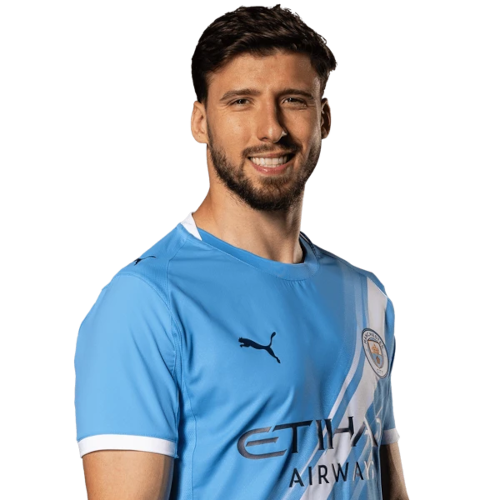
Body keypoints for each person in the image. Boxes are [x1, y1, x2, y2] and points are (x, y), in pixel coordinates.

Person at [74, 5, 410, 499]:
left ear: (324, 118)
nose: (270, 129)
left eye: (292, 100)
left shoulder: (367, 296)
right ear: (200, 122)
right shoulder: (144, 303)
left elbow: (387, 487)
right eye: (241, 102)